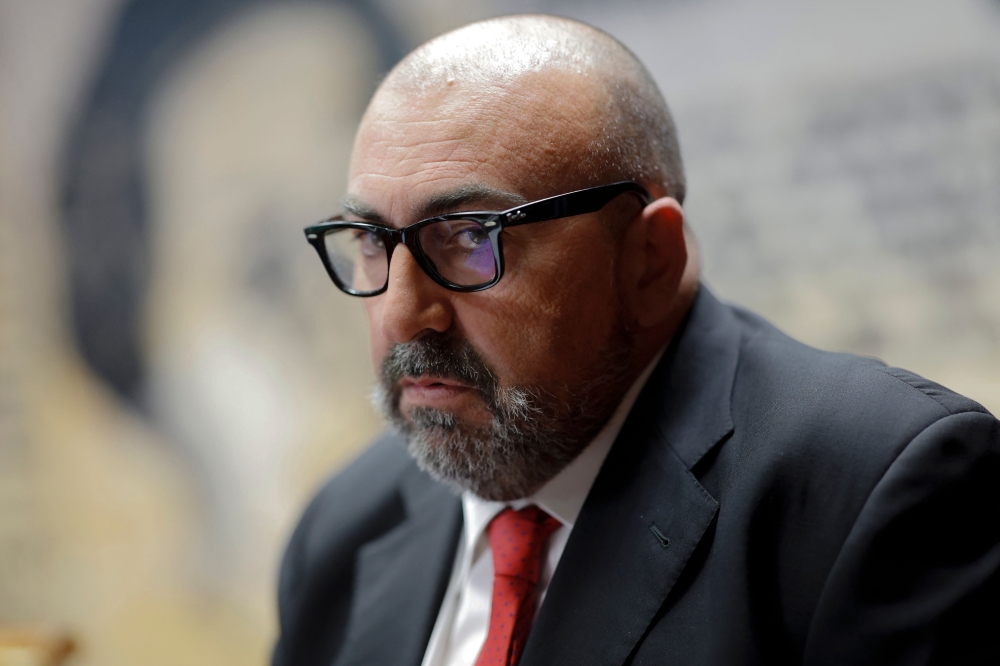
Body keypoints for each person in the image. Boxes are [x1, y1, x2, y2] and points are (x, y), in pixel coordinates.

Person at [273, 15, 1000, 666]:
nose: (403, 312)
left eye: (469, 236)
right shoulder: (347, 522)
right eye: (371, 239)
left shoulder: (879, 490)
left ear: (651, 259)